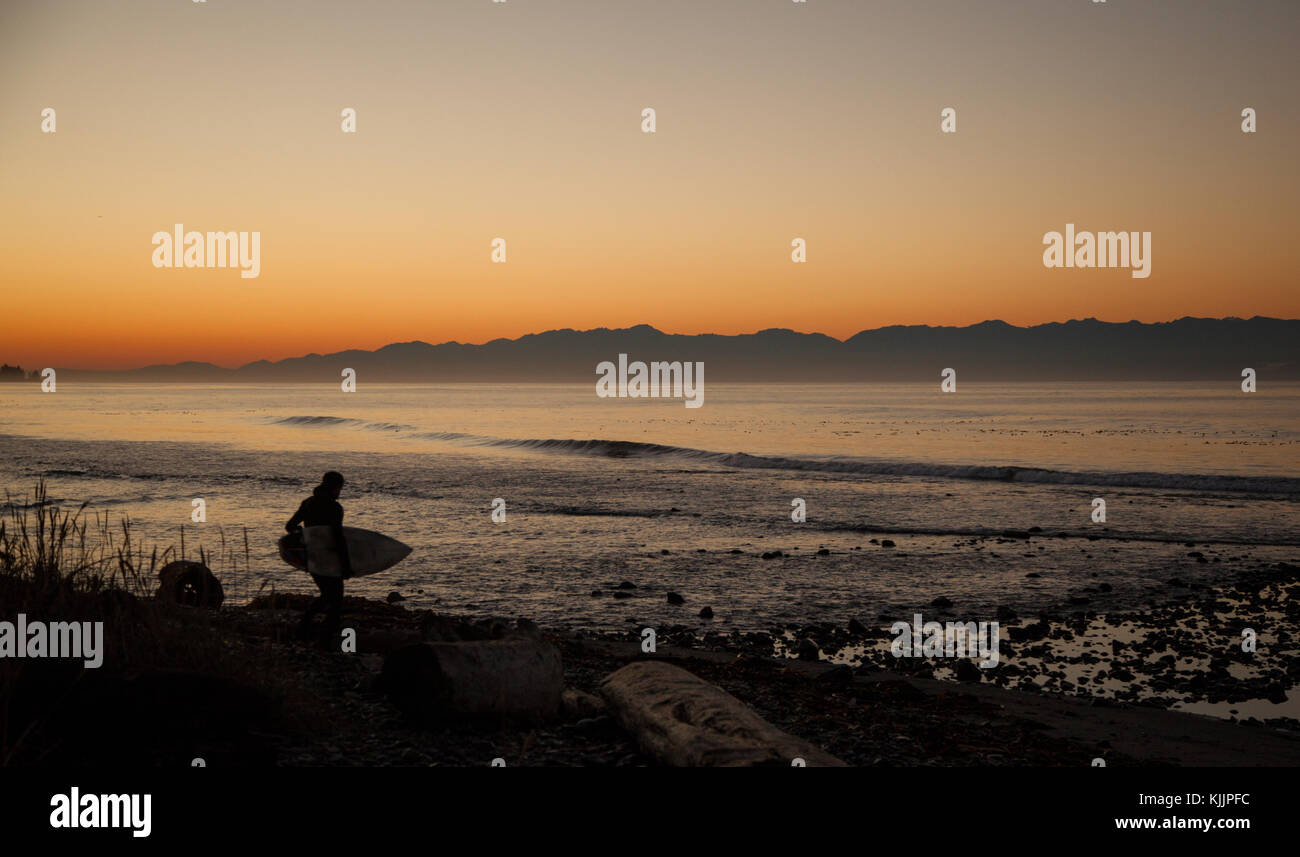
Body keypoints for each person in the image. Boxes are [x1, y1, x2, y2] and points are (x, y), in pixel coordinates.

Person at [285, 471, 353, 641]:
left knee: (327, 596)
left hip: (312, 557)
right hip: (329, 559)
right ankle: (323, 639)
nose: (340, 491)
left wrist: (302, 535)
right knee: (335, 602)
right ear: (336, 487)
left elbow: (290, 526)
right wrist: (346, 565)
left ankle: (303, 630)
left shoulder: (308, 503)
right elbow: (338, 538)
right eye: (340, 488)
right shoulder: (335, 508)